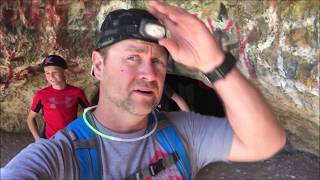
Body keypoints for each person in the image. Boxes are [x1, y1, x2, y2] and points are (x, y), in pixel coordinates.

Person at [1, 1, 286, 179]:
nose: (150, 74)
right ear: (98, 66)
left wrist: (214, 63)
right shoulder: (61, 155)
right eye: (133, 58)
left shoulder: (183, 131)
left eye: (159, 63)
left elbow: (264, 142)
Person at [26, 55, 90, 140]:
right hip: (50, 140)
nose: (51, 76)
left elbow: (90, 113)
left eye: (54, 72)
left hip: (71, 139)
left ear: (65, 72)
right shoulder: (41, 95)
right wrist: (38, 139)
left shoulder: (77, 92)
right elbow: (30, 118)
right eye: (47, 73)